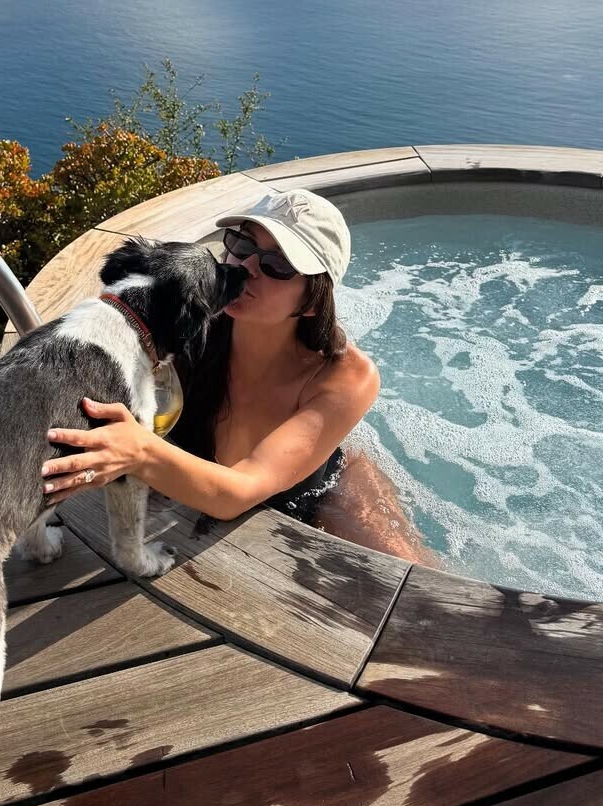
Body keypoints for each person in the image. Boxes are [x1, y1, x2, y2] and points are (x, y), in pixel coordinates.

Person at [40, 186, 427, 560]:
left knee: (415, 583)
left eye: (277, 265)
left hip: (312, 493)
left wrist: (139, 450)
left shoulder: (345, 376)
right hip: (198, 475)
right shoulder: (190, 318)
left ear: (313, 300)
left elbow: (238, 492)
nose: (246, 267)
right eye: (242, 244)